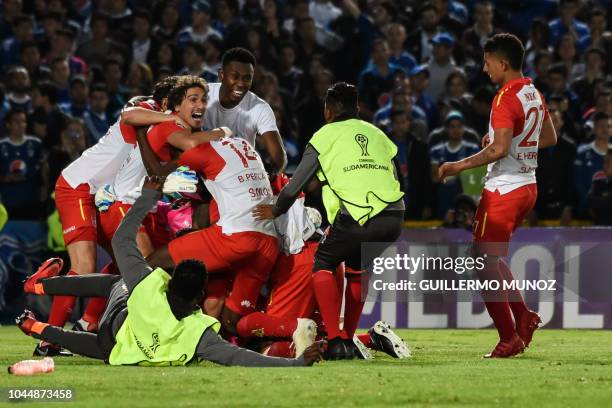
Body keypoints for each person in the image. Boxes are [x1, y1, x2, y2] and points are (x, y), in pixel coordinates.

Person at [18, 176, 324, 367]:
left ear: (170, 279)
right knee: (102, 340)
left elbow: (124, 239)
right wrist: (296, 365)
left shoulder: (149, 283)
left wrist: (146, 197)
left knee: (114, 281)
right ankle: (43, 321)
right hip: (115, 344)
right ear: (199, 297)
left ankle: (44, 291)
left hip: (117, 321)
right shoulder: (198, 331)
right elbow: (237, 358)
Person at [253, 82, 404, 360]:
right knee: (357, 267)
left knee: (323, 262)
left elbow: (294, 184)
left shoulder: (325, 135)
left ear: (328, 111)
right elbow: (397, 178)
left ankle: (336, 340)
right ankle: (350, 339)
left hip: (357, 216)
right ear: (357, 109)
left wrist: (275, 210)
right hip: (395, 217)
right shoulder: (378, 133)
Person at [438, 33, 558, 358]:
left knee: (482, 260)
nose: (484, 67)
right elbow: (549, 137)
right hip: (527, 187)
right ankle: (523, 316)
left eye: (487, 61)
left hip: (503, 189)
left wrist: (458, 165)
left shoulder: (505, 97)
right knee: (490, 257)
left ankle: (509, 337)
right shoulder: (532, 92)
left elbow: (501, 148)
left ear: (502, 63)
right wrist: (501, 142)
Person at [202, 47, 287, 173]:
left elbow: (279, 158)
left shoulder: (260, 107)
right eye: (235, 77)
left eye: (247, 78)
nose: (241, 83)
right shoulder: (202, 96)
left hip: (240, 177)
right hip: (202, 172)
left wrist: (268, 177)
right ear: (221, 75)